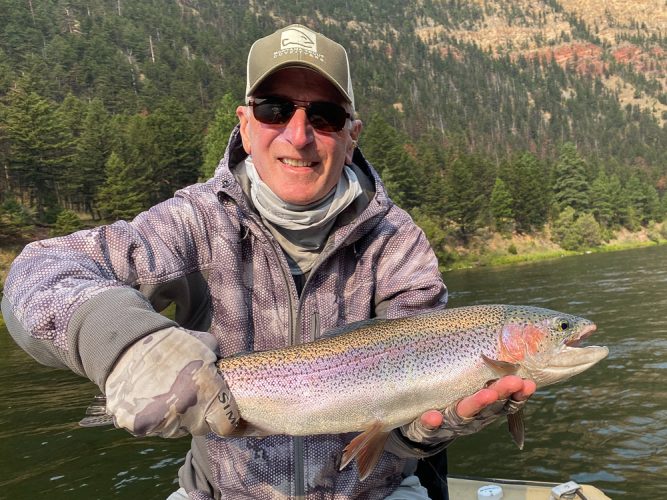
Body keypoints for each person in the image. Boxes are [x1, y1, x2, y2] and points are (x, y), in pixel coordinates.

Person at [1, 24, 535, 499]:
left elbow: (405, 432)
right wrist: (125, 345)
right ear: (245, 123)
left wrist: (432, 426)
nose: (299, 136)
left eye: (324, 117)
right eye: (276, 110)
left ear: (351, 137)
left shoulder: (397, 243)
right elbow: (37, 273)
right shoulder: (194, 223)